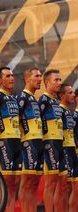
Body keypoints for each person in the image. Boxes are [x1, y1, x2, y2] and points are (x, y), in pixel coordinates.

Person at [0, 67, 21, 212]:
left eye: (12, 75)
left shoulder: (14, 98)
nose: (12, 78)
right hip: (5, 141)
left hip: (17, 141)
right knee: (5, 182)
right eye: (8, 76)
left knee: (15, 183)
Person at [17, 68, 44, 212]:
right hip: (28, 142)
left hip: (38, 142)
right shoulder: (22, 97)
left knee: (34, 183)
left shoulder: (34, 99)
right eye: (37, 76)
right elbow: (17, 119)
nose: (40, 79)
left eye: (41, 76)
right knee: (27, 182)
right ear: (28, 79)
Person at [38, 69, 65, 212]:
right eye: (56, 80)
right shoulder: (43, 99)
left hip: (60, 143)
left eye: (60, 80)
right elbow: (38, 121)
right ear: (47, 82)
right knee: (51, 182)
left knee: (61, 183)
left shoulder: (55, 101)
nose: (59, 82)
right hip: (50, 143)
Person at [58, 84, 78, 212]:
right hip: (66, 150)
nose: (72, 96)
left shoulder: (69, 113)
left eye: (72, 93)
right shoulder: (61, 112)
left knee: (73, 188)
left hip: (72, 152)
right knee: (65, 187)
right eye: (70, 93)